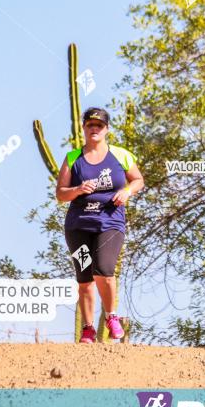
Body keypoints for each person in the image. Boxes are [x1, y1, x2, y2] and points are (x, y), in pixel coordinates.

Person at [56, 107, 144, 343]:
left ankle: (111, 316)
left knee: (103, 270)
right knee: (84, 279)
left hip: (110, 222)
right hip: (79, 226)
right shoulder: (73, 158)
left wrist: (127, 191)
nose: (94, 129)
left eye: (99, 125)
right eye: (90, 125)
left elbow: (138, 180)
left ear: (106, 129)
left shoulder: (121, 155)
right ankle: (87, 329)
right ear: (84, 128)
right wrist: (77, 189)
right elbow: (60, 194)